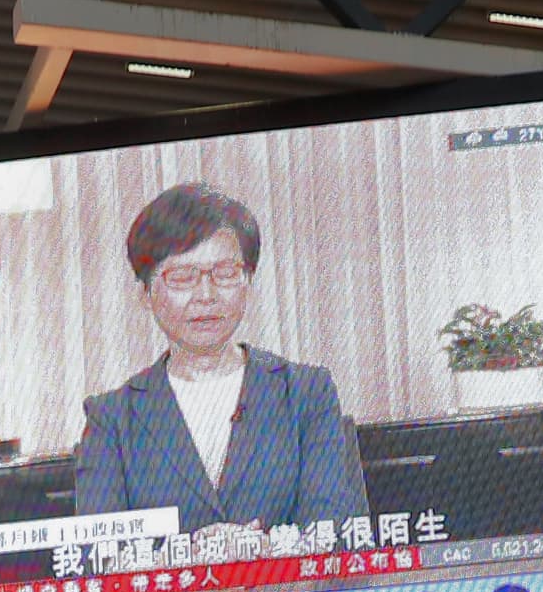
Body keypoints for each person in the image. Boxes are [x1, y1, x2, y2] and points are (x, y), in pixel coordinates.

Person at [72, 182, 367, 539]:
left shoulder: (306, 393)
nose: (206, 295)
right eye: (182, 277)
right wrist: (192, 556)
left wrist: (254, 551)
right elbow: (96, 555)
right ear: (145, 294)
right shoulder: (112, 420)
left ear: (248, 280)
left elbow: (334, 530)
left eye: (225, 273)